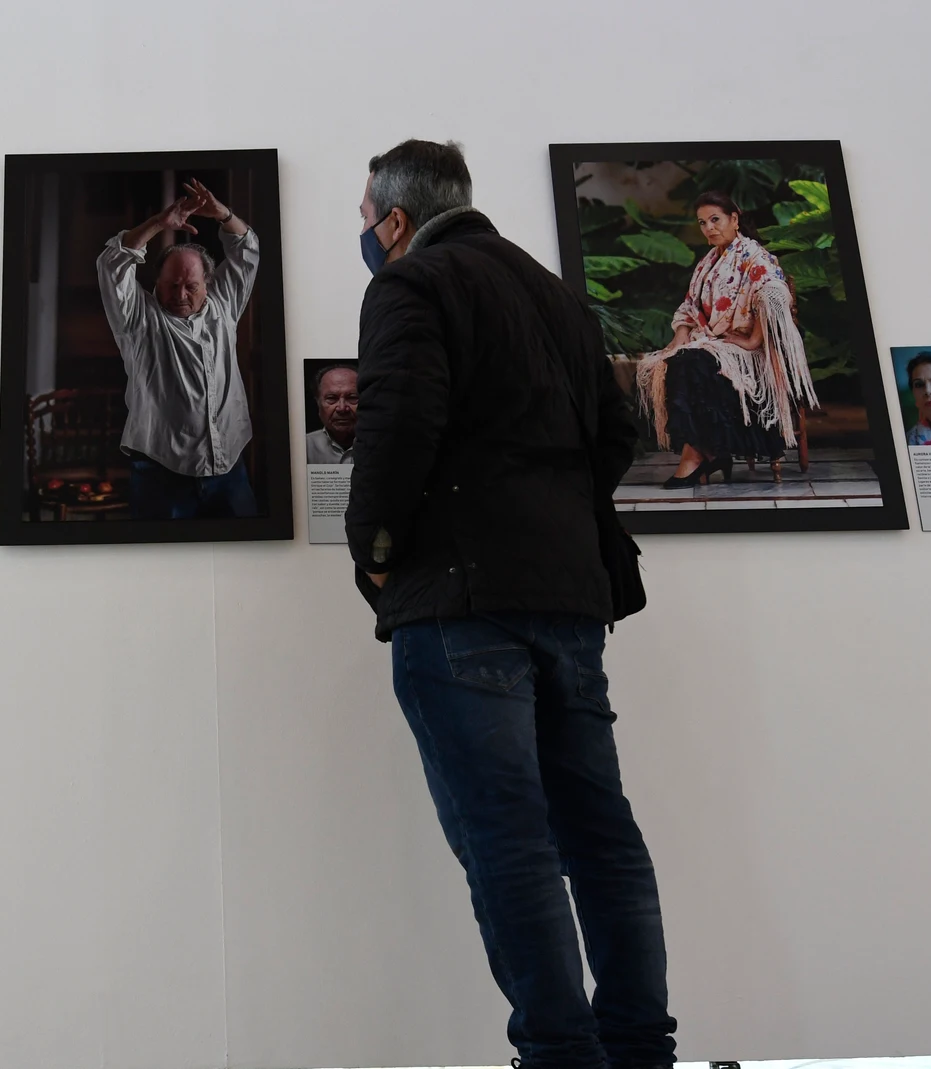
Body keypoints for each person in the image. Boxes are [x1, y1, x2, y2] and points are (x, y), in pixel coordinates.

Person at [347, 139, 676, 1069]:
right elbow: (617, 432)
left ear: (398, 221)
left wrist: (374, 555)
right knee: (600, 835)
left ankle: (560, 1054)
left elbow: (397, 429)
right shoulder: (553, 293)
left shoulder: (411, 287)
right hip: (571, 599)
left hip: (461, 601)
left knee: (508, 843)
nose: (364, 237)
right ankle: (640, 1051)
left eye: (365, 218)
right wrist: (553, 514)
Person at [96, 179, 261, 519]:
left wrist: (223, 214)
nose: (181, 295)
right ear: (156, 282)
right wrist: (159, 223)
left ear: (208, 284)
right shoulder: (137, 318)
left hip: (229, 467)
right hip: (161, 472)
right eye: (172, 285)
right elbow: (112, 264)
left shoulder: (224, 304)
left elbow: (247, 250)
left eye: (191, 286)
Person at [635, 192, 819, 488]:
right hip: (713, 342)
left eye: (715, 219)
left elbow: (772, 295)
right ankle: (705, 450)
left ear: (734, 219)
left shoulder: (756, 256)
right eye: (702, 222)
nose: (709, 227)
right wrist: (679, 338)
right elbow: (689, 308)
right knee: (676, 360)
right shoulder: (707, 263)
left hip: (748, 351)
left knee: (694, 362)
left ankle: (697, 455)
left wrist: (752, 341)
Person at [304, 364, 358, 464]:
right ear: (318, 403)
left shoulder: (386, 446)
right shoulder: (303, 446)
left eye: (352, 398)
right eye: (332, 398)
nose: (342, 408)